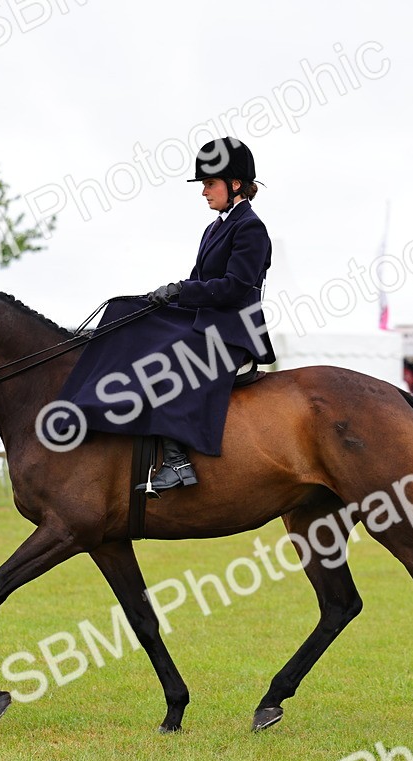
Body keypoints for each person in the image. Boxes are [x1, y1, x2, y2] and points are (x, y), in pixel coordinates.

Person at [58, 137, 274, 497]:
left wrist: (181, 291)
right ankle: (92, 409)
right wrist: (160, 297)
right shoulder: (215, 228)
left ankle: (177, 460)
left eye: (209, 184)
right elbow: (197, 280)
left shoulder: (250, 228)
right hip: (207, 320)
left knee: (165, 357)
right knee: (126, 313)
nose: (204, 192)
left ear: (235, 184)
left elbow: (236, 287)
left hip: (232, 330)